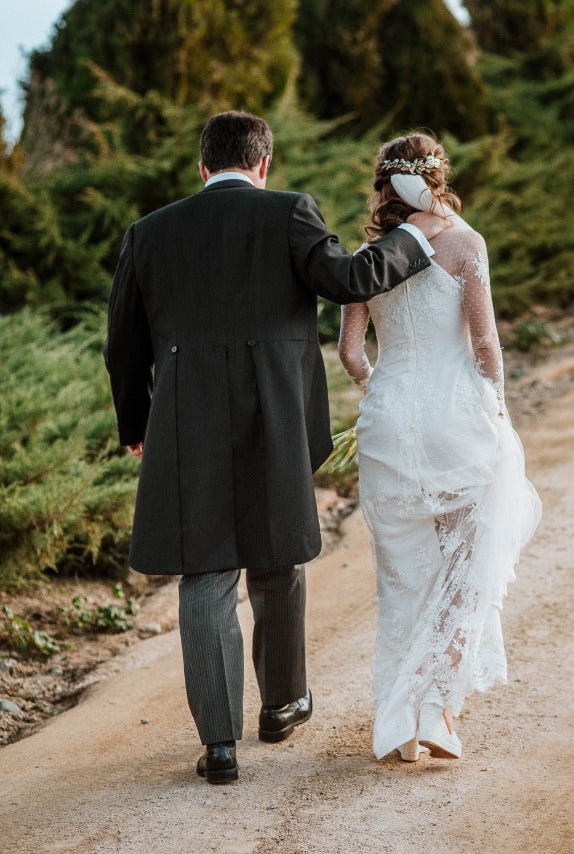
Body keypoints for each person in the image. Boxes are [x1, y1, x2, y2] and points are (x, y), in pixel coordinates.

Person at [103, 111, 446, 784]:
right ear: (264, 164)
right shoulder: (290, 213)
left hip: (184, 421)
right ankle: (284, 704)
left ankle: (220, 747)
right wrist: (413, 238)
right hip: (275, 419)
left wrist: (139, 424)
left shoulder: (149, 233)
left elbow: (122, 345)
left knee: (205, 575)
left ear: (203, 167)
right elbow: (349, 281)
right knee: (278, 556)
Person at [338, 133, 541, 762]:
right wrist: (497, 405)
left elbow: (350, 353)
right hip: (456, 420)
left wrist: (379, 389)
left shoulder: (366, 255)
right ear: (439, 177)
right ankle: (439, 711)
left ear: (384, 184)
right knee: (465, 567)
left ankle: (398, 726)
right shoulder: (464, 242)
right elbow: (486, 343)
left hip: (389, 423)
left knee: (402, 577)